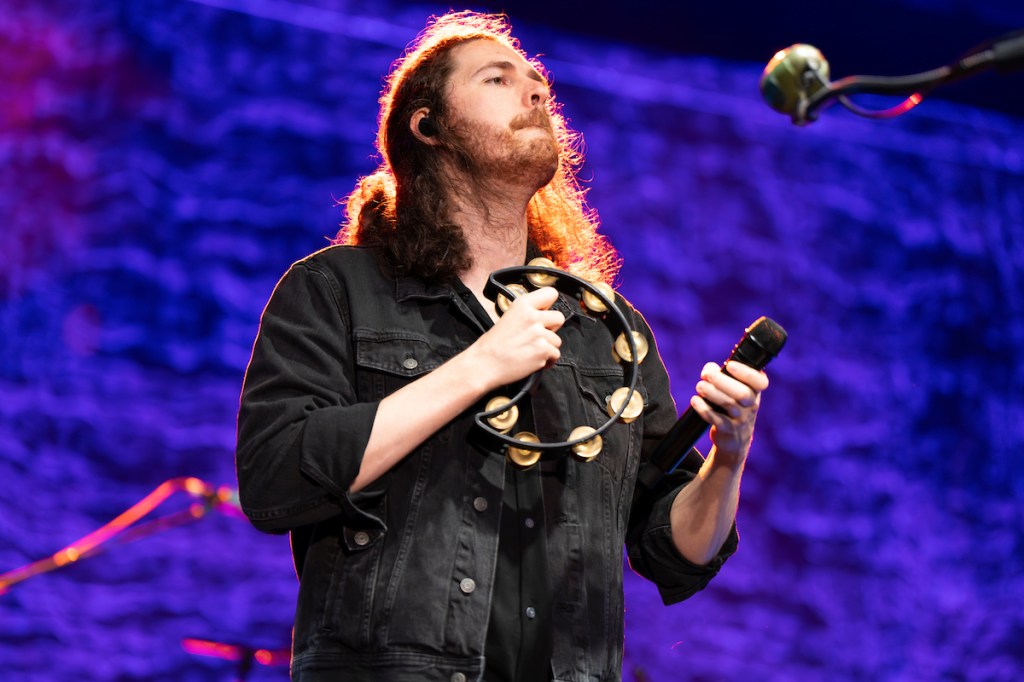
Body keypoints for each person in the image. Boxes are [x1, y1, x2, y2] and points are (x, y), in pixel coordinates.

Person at [235, 11, 769, 682]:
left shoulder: (603, 330)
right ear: (428, 127)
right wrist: (481, 365)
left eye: (537, 81)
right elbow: (276, 478)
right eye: (497, 78)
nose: (536, 91)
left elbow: (675, 552)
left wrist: (728, 458)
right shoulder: (337, 289)